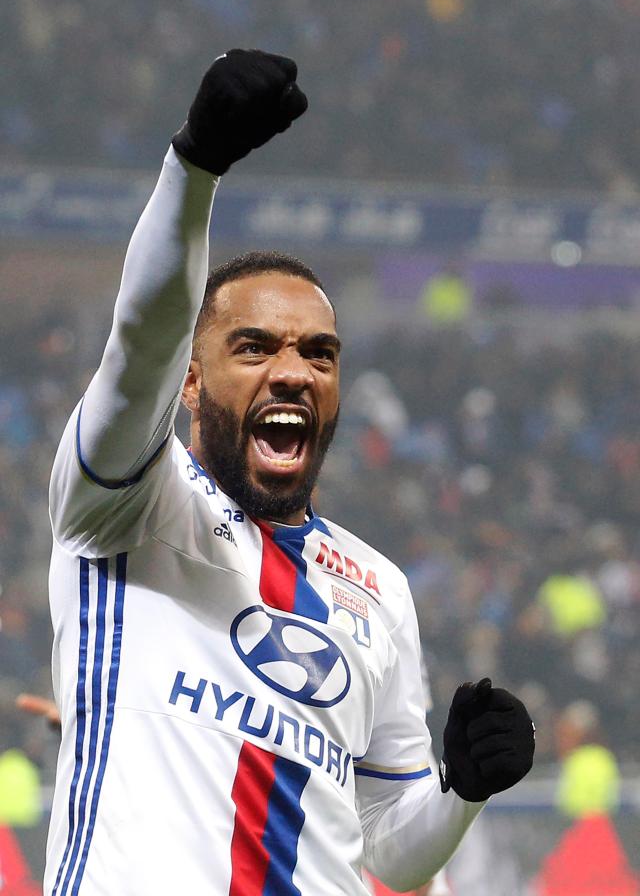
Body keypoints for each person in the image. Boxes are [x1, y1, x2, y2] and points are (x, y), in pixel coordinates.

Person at [45, 49, 535, 895]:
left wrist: (461, 791)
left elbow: (390, 848)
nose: (295, 371)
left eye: (320, 353)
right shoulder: (122, 506)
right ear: (191, 382)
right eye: (255, 346)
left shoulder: (379, 589)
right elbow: (140, 347)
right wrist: (193, 168)